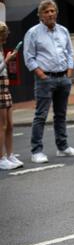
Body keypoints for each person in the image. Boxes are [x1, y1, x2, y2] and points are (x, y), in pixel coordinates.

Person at [24, 0, 74, 164]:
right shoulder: (33, 33)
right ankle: (36, 151)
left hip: (63, 78)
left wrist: (69, 71)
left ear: (56, 12)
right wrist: (41, 74)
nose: (50, 14)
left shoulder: (63, 31)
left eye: (52, 11)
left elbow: (70, 52)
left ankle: (63, 147)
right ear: (40, 15)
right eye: (46, 11)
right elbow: (29, 57)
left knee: (61, 115)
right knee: (41, 115)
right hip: (45, 79)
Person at [0, 22, 24, 170]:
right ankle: (1, 158)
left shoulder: (1, 48)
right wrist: (7, 61)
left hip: (5, 86)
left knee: (10, 125)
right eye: (2, 36)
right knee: (1, 126)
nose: (4, 39)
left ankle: (10, 155)